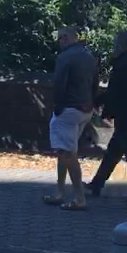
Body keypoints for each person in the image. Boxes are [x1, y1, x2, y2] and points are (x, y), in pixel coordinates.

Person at [41, 27, 97, 212]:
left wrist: (58, 108)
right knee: (65, 151)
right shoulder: (89, 56)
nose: (58, 42)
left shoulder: (65, 57)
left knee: (68, 154)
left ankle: (79, 198)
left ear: (65, 38)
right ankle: (59, 191)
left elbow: (59, 84)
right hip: (85, 110)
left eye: (59, 39)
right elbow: (95, 84)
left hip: (68, 110)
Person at [86, 30, 127, 197]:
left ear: (121, 45)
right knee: (115, 151)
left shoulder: (122, 64)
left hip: (126, 114)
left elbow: (115, 91)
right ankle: (97, 184)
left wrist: (100, 104)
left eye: (116, 44)